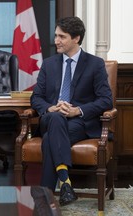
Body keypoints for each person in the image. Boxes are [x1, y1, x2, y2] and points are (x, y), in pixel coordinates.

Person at [30, 16, 113, 206]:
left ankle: (49, 193)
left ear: (76, 38)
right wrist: (50, 107)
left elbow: (106, 100)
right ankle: (65, 182)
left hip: (79, 123)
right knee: (56, 118)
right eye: (56, 35)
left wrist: (78, 110)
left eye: (62, 36)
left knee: (51, 138)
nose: (56, 40)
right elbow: (36, 98)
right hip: (50, 117)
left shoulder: (95, 64)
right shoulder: (49, 64)